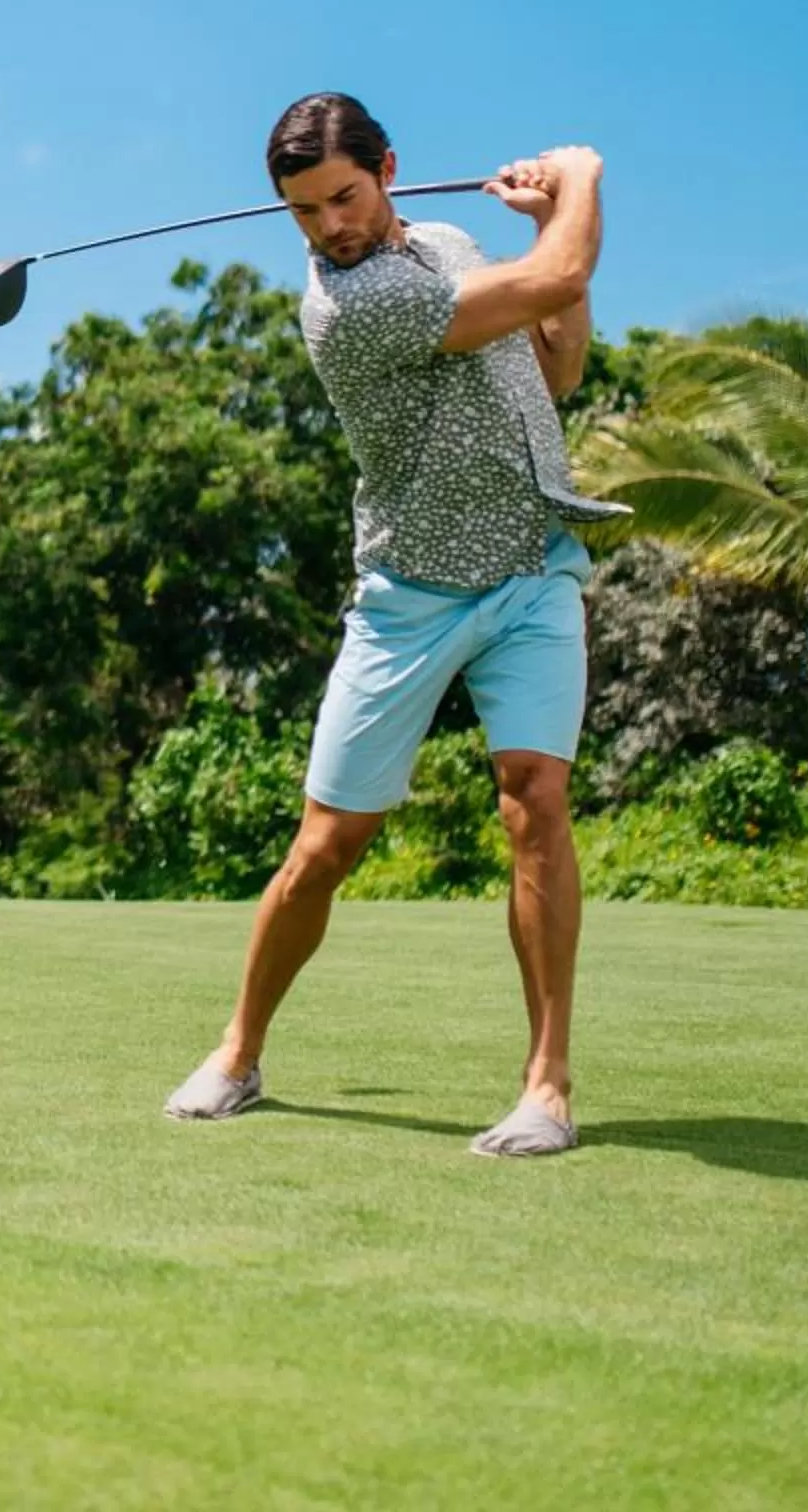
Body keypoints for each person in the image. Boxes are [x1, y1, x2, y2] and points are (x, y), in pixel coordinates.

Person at [164, 92, 625, 1157]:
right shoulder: (343, 308)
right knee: (329, 845)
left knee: (536, 797)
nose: (330, 226)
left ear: (389, 170)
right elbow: (558, 273)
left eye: (343, 195)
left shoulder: (454, 244)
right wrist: (581, 179)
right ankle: (239, 1049)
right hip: (411, 594)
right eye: (304, 211)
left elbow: (555, 364)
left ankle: (547, 1083)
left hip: (530, 566)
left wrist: (540, 233)